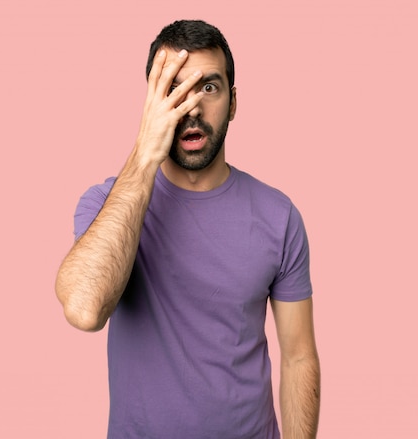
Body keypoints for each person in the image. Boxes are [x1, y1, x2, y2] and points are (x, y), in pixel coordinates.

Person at [55, 19, 320, 439]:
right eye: (174, 90)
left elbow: (299, 356)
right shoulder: (105, 205)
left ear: (233, 103)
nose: (192, 108)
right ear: (151, 104)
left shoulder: (279, 215)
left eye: (208, 88)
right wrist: (144, 155)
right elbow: (85, 310)